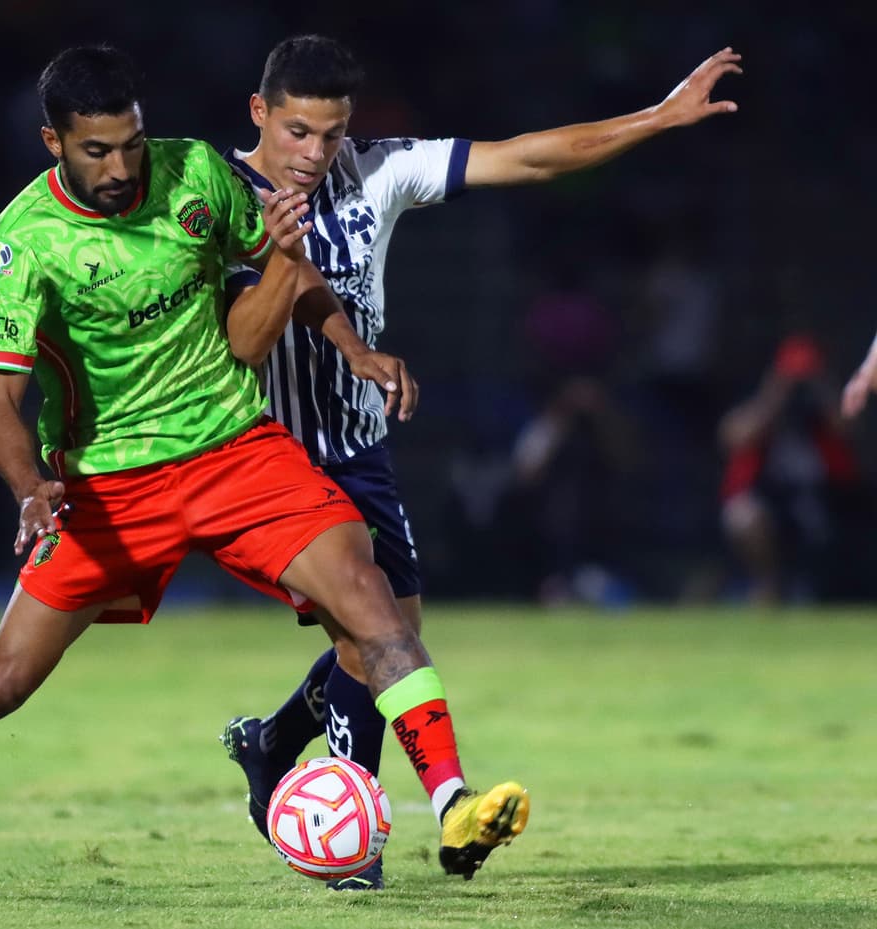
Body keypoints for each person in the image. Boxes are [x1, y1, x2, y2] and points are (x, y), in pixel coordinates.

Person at [0, 45, 528, 898]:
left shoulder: (196, 176)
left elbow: (291, 266)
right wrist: (31, 488)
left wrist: (353, 347)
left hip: (235, 449)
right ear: (52, 141)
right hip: (108, 487)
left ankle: (454, 802)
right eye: (97, 150)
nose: (121, 165)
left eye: (131, 142)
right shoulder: (20, 246)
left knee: (372, 596)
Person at [218, 35, 740, 889]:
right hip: (264, 456)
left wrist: (660, 116)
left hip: (358, 448)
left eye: (333, 134)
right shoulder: (216, 192)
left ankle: (272, 743)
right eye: (299, 132)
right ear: (260, 114)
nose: (316, 154)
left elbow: (527, 157)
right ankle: (371, 835)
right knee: (368, 633)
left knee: (395, 635)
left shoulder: (377, 169)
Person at [719, 334, 868, 603]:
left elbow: (849, 429)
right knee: (742, 515)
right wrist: (778, 391)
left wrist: (818, 384)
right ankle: (768, 588)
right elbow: (733, 436)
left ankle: (828, 592)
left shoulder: (821, 412)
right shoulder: (765, 406)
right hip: (773, 500)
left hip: (824, 500)